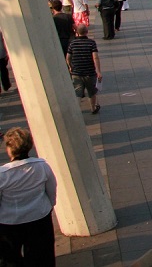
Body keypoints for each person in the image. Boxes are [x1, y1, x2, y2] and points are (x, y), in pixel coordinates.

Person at [0, 127, 57, 267]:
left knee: (10, 259)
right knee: (41, 257)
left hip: (9, 223)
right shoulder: (42, 166)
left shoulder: (3, 174)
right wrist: (48, 206)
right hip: (39, 218)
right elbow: (51, 191)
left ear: (9, 148)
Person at [66, 25, 102, 114]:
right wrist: (98, 71)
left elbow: (68, 57)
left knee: (78, 92)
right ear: (87, 32)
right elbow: (95, 57)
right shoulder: (91, 43)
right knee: (91, 91)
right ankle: (93, 108)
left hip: (76, 72)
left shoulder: (72, 43)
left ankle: (77, 110)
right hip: (89, 72)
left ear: (77, 32)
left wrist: (70, 66)